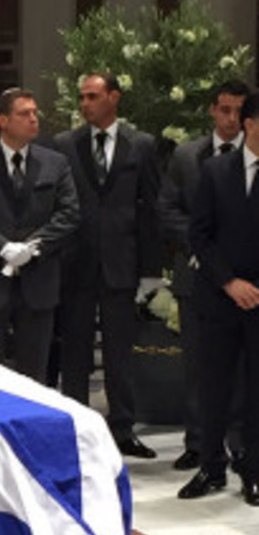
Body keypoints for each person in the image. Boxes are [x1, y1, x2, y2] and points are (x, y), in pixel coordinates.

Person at [54, 72, 161, 458]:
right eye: (82, 97)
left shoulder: (141, 145)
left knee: (120, 353)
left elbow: (151, 209)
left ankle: (123, 429)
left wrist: (150, 270)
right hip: (77, 260)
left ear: (113, 97)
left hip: (121, 261)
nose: (85, 104)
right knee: (76, 351)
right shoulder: (65, 144)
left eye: (93, 96)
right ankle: (77, 427)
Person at [157, 79, 251, 472]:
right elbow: (167, 208)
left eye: (239, 112)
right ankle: (199, 444)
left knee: (244, 370)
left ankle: (241, 446)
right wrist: (201, 245)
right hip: (196, 275)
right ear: (212, 110)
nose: (231, 119)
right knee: (198, 365)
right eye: (224, 110)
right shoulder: (187, 156)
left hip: (244, 280)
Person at [0, 88, 79, 382]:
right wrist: (2, 248)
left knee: (35, 373)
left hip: (38, 281)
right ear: (3, 120)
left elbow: (69, 213)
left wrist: (33, 247)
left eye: (35, 113)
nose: (33, 119)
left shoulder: (55, 162)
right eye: (24, 114)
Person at [177, 90, 259, 506]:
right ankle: (211, 466)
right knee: (214, 386)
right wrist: (229, 282)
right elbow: (199, 235)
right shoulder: (215, 170)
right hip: (219, 295)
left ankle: (254, 471)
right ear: (250, 125)